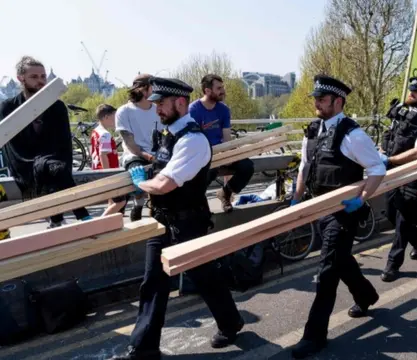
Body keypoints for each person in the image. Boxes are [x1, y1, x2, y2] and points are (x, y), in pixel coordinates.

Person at [109, 77, 244, 360]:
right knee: (153, 283)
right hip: (162, 220)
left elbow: (164, 185)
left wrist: (139, 184)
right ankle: (144, 348)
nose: (156, 109)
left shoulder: (193, 140)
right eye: (155, 103)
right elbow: (159, 172)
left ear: (180, 103)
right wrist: (144, 175)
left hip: (187, 223)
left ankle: (231, 322)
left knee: (204, 277)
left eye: (161, 104)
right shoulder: (167, 136)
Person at [289, 75, 385, 359]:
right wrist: (297, 197)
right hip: (319, 207)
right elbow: (305, 166)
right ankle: (367, 296)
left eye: (322, 99)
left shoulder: (353, 134)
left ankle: (314, 336)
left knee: (328, 269)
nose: (317, 103)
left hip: (344, 212)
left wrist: (361, 199)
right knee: (341, 260)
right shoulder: (313, 130)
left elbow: (377, 169)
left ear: (338, 102)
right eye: (316, 99)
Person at [0, 56, 92, 231]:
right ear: (21, 78)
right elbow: (10, 143)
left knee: (54, 167)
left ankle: (61, 219)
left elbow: (63, 140)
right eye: (34, 77)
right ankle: (80, 216)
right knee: (48, 168)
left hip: (53, 155)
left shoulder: (57, 107)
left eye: (43, 76)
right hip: (24, 158)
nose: (40, 81)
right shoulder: (8, 106)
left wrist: (55, 160)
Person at [378, 77, 417, 283]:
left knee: (403, 218)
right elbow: (389, 136)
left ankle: (392, 264)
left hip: (413, 173)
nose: (411, 93)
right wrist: (381, 153)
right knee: (389, 212)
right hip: (392, 171)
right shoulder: (400, 110)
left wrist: (391, 160)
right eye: (411, 89)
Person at [189, 74, 254, 213]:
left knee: (247, 166)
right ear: (207, 91)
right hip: (203, 154)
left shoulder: (223, 110)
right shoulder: (193, 110)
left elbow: (226, 136)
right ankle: (198, 205)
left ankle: (226, 193)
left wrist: (229, 153)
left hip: (221, 151)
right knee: (209, 171)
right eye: (219, 88)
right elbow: (193, 140)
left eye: (222, 87)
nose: (223, 91)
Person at [115, 74, 160, 221]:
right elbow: (130, 143)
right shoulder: (124, 111)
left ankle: (157, 213)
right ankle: (138, 207)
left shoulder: (158, 109)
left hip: (156, 153)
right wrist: (148, 156)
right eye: (153, 86)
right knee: (138, 173)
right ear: (143, 89)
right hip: (134, 155)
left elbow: (165, 132)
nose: (157, 90)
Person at [90, 104, 126, 216]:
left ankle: (109, 224)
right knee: (121, 201)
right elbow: (103, 155)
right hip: (107, 172)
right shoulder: (105, 134)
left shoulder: (96, 131)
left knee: (111, 201)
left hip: (98, 170)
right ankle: (99, 223)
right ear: (106, 117)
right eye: (114, 116)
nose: (116, 120)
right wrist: (109, 174)